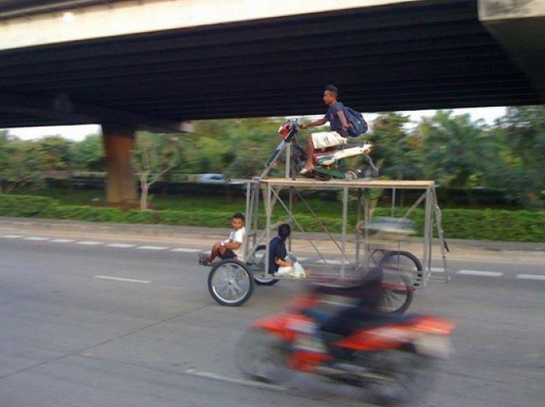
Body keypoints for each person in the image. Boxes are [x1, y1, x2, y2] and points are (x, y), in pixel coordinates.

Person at [300, 85, 351, 174]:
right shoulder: (331, 108)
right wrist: (307, 125)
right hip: (336, 134)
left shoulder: (337, 106)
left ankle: (309, 164)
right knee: (316, 149)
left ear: (331, 96)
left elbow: (341, 115)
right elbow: (322, 121)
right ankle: (321, 169)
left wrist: (344, 124)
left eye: (325, 95)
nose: (324, 98)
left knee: (310, 138)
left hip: (338, 135)